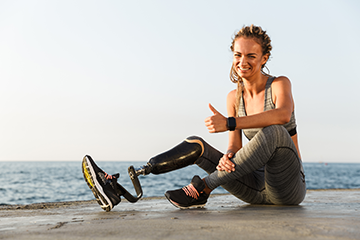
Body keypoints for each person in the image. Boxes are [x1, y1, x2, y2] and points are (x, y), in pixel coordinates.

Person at [82, 24, 306, 211]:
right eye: (238, 55)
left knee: (275, 131)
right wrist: (227, 156)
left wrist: (229, 123)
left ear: (264, 58)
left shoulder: (279, 84)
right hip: (253, 188)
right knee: (196, 143)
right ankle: (125, 181)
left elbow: (282, 115)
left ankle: (203, 188)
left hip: (287, 188)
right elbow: (235, 146)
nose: (242, 61)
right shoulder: (233, 98)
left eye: (251, 56)